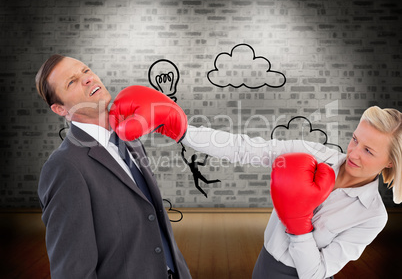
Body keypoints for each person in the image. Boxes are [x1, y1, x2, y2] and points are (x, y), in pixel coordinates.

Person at [179, 106, 401, 279]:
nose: (353, 153)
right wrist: (182, 131)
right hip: (265, 265)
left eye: (368, 151)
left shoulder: (372, 216)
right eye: (355, 139)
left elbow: (315, 274)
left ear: (390, 162)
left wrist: (299, 226)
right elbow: (244, 148)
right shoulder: (313, 155)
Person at [35, 54, 191, 279]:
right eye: (71, 82)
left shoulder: (129, 137)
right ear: (60, 109)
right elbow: (73, 271)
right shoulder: (64, 167)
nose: (87, 79)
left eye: (86, 71)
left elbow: (152, 219)